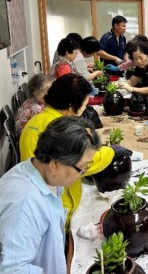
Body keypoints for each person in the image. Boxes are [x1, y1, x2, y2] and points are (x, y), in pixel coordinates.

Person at [0, 116, 101, 274]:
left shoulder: (41, 174)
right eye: (81, 168)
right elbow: (13, 270)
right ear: (55, 164)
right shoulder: (25, 203)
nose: (81, 174)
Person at [20, 74, 115, 229]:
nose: (84, 109)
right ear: (71, 106)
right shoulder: (60, 128)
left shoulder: (36, 120)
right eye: (84, 105)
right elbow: (84, 163)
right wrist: (110, 152)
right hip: (59, 208)